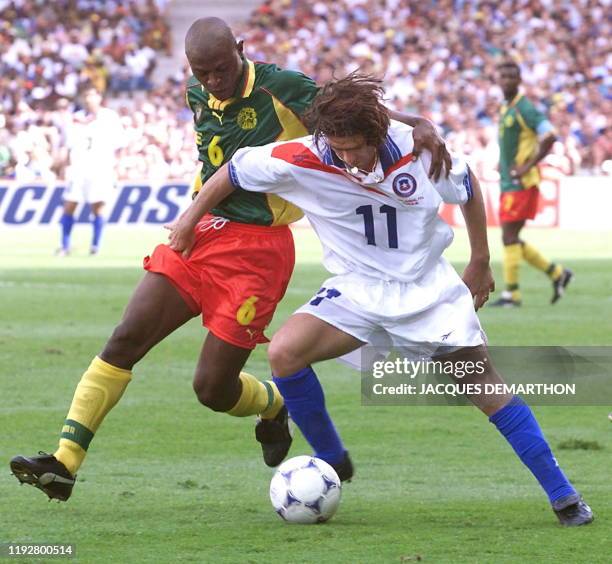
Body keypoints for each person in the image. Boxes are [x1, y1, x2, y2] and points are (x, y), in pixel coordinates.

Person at [9, 18, 450, 501]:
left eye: (221, 69)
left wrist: (419, 123)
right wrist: (192, 216)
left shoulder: (283, 87)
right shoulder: (197, 95)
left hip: (259, 252)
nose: (214, 81)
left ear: (240, 50)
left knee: (212, 389)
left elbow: (353, 114)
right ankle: (65, 462)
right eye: (203, 73)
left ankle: (273, 404)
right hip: (202, 232)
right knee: (126, 336)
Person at [166, 73, 593, 527]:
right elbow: (233, 170)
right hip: (358, 288)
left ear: (378, 133)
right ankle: (333, 458)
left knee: (485, 389)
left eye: (356, 149)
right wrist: (190, 218)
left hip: (426, 293)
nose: (347, 159)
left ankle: (563, 495)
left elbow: (467, 188)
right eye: (338, 149)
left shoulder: (420, 151)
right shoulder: (305, 155)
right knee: (285, 352)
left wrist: (480, 261)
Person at [490, 58, 572, 307]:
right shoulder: (507, 107)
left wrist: (528, 165)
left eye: (510, 77)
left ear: (519, 80)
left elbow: (550, 136)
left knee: (509, 236)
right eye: (502, 77)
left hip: (521, 183)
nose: (505, 81)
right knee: (510, 237)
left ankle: (512, 294)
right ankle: (557, 273)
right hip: (508, 181)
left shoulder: (525, 108)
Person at [58, 87, 124, 256]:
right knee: (69, 205)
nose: (88, 98)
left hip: (101, 168)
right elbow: (68, 144)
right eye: (85, 95)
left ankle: (95, 246)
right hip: (78, 168)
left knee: (98, 206)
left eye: (92, 95)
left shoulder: (109, 117)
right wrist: (64, 166)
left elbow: (120, 145)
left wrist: (117, 166)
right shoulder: (76, 118)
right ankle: (65, 246)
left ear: (99, 97)